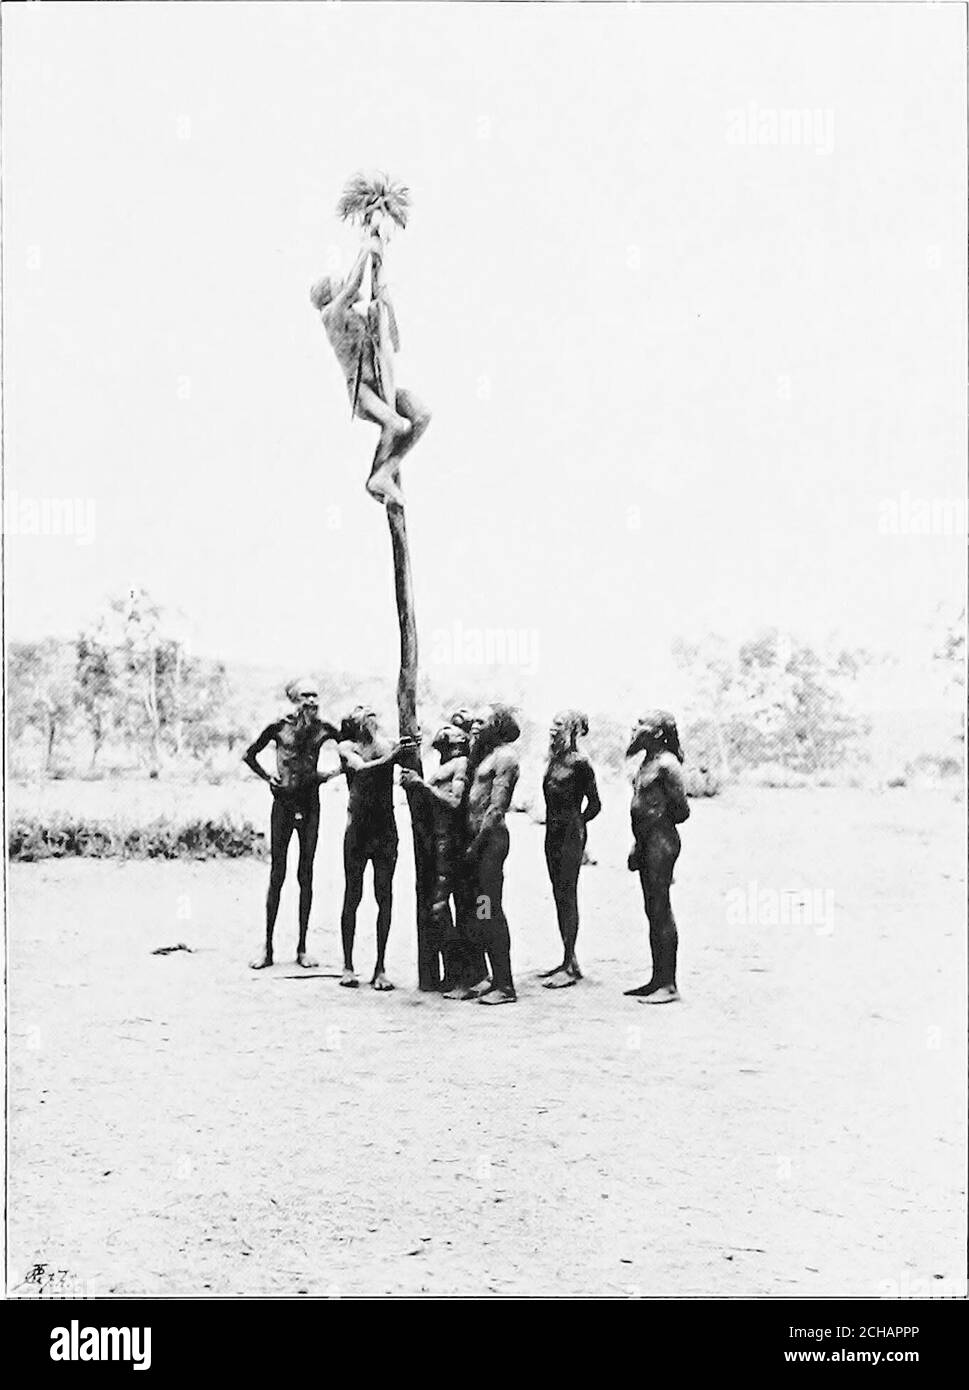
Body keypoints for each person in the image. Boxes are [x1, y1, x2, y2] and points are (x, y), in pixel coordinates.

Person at [310, 233, 430, 508]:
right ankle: (377, 477)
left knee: (422, 414)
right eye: (336, 284)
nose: (343, 284)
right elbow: (352, 286)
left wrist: (387, 305)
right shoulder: (332, 316)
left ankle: (386, 470)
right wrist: (366, 249)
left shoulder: (362, 316)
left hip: (382, 384)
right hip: (362, 392)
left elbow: (394, 343)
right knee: (395, 423)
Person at [243, 678, 340, 969]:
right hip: (283, 803)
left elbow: (354, 746)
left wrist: (330, 774)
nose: (311, 701)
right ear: (294, 700)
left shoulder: (324, 728)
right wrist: (267, 776)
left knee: (306, 874)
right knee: (277, 873)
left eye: (315, 695)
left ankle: (301, 949)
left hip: (310, 803)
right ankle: (268, 949)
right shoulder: (278, 727)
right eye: (304, 696)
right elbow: (249, 755)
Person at [399, 722, 482, 996]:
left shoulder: (461, 764)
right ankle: (457, 973)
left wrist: (421, 784)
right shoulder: (446, 766)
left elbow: (454, 801)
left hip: (454, 845)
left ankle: (466, 976)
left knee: (451, 908)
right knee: (442, 909)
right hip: (439, 843)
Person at [337, 706, 412, 990]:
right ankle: (348, 965)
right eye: (360, 712)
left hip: (385, 830)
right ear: (352, 723)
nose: (368, 713)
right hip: (358, 830)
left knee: (385, 895)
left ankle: (380, 968)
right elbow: (362, 771)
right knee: (352, 895)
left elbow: (409, 767)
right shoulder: (347, 747)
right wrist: (393, 757)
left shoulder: (389, 745)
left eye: (371, 712)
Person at [624, 711, 690, 1004]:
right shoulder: (647, 761)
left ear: (658, 733)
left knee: (661, 908)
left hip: (661, 842)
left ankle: (669, 984)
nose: (635, 728)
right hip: (647, 841)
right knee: (652, 909)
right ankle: (657, 978)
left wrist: (655, 824)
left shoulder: (667, 764)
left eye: (642, 724)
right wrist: (638, 842)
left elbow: (682, 810)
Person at [463, 704, 521, 1005]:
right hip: (478, 843)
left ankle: (505, 984)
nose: (475, 723)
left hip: (490, 845)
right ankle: (491, 977)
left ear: (496, 725)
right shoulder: (485, 754)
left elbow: (496, 809)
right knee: (481, 911)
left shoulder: (506, 757)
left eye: (481, 720)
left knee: (490, 909)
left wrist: (475, 846)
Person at [539, 710, 601, 988]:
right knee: (557, 894)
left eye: (559, 725)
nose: (553, 729)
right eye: (552, 724)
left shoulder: (581, 763)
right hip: (552, 834)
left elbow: (595, 804)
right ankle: (569, 958)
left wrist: (577, 824)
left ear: (573, 730)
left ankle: (569, 964)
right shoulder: (554, 759)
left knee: (568, 894)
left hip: (570, 836)